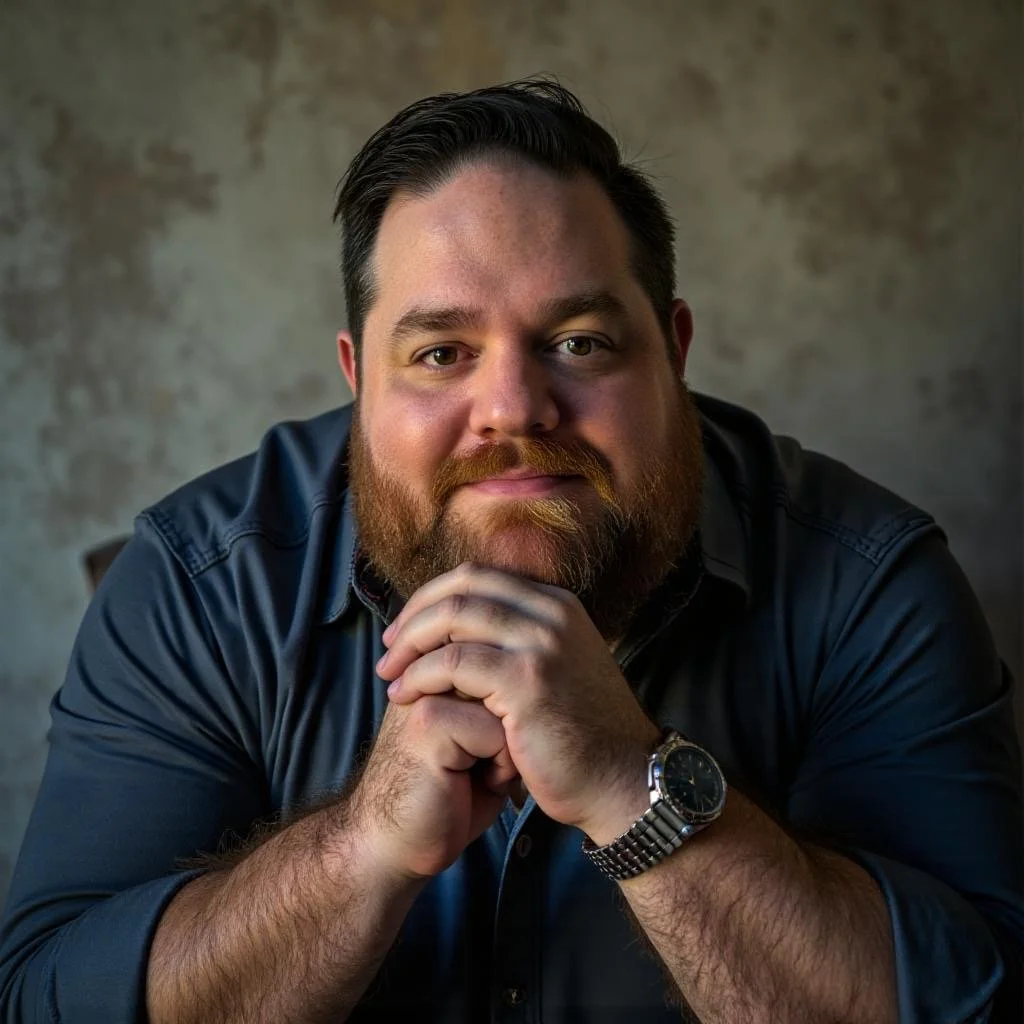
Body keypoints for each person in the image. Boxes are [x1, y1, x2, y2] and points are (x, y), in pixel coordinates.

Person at [0, 78, 1021, 1024]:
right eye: (441, 353)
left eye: (577, 341)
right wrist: (365, 845)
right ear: (360, 378)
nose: (513, 409)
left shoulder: (865, 580)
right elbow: (46, 997)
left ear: (672, 350)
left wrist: (633, 782)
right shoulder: (201, 580)